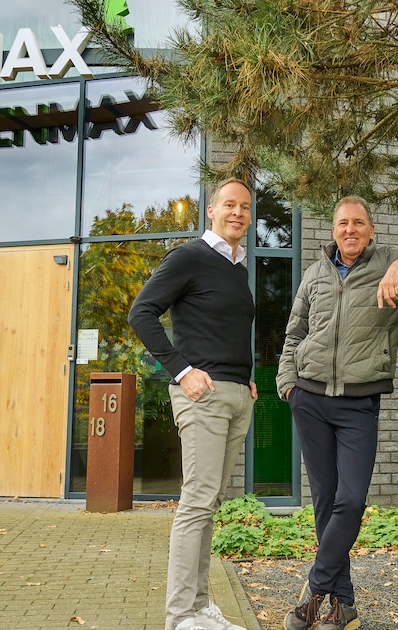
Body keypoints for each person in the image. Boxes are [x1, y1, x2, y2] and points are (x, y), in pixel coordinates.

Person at [276, 196, 398, 630]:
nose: (350, 230)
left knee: (352, 500)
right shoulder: (315, 274)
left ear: (371, 229)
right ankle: (344, 606)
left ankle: (315, 590)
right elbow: (294, 331)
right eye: (343, 223)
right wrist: (288, 383)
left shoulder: (389, 266)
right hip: (310, 397)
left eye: (359, 223)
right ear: (334, 229)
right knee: (325, 503)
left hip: (359, 402)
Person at [129, 178, 259, 630]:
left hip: (235, 395)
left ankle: (201, 607)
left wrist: (245, 379)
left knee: (210, 502)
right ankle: (181, 615)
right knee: (196, 502)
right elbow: (141, 312)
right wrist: (182, 371)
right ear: (211, 210)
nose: (237, 213)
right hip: (202, 397)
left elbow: (221, 329)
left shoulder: (238, 266)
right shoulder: (189, 257)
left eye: (245, 206)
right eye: (229, 205)